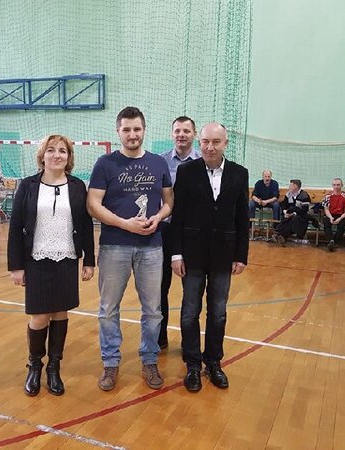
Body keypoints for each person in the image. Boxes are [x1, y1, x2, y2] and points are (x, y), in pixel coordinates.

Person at [87, 107, 173, 391]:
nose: (132, 134)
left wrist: (157, 218)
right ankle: (110, 363)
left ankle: (149, 360)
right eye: (126, 129)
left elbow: (169, 202)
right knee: (108, 309)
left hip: (151, 247)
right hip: (114, 246)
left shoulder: (158, 163)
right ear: (118, 131)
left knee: (154, 311)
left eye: (137, 129)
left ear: (144, 130)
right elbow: (93, 205)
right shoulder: (105, 164)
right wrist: (126, 224)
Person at [8, 134, 95, 396]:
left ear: (69, 157)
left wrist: (89, 260)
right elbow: (15, 226)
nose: (57, 155)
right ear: (42, 155)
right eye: (51, 150)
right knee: (39, 315)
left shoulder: (78, 186)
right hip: (36, 259)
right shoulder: (28, 185)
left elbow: (85, 225)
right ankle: (35, 365)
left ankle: (54, 368)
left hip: (67, 258)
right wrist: (16, 266)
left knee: (60, 313)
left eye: (62, 151)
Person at [171, 122, 249, 392]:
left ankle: (213, 362)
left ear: (225, 143)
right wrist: (176, 254)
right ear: (199, 142)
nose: (210, 147)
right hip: (192, 254)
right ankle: (192, 364)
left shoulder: (239, 173)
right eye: (205, 141)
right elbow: (178, 215)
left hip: (223, 256)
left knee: (218, 313)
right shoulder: (186, 171)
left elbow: (242, 218)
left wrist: (241, 255)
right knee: (189, 311)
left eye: (216, 142)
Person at [159, 116, 200, 350]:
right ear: (172, 134)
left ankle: (189, 344)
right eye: (177, 131)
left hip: (191, 233)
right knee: (160, 288)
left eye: (186, 131)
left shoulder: (203, 162)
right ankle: (159, 338)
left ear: (194, 134)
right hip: (164, 231)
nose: (181, 135)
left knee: (191, 291)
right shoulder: (160, 162)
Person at [272, 179, 311, 246]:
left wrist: (293, 214)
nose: (289, 187)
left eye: (290, 185)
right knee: (285, 217)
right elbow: (284, 204)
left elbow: (305, 210)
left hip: (301, 215)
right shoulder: (288, 194)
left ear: (295, 186)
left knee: (293, 219)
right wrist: (285, 212)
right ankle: (281, 235)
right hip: (289, 213)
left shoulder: (304, 195)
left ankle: (280, 234)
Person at [322, 178, 345, 252]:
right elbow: (326, 209)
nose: (336, 187)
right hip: (330, 214)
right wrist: (330, 217)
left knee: (342, 225)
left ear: (342, 185)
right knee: (326, 222)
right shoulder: (327, 196)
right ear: (332, 185)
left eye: (338, 185)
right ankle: (331, 240)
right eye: (334, 185)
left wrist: (340, 218)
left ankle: (335, 242)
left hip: (341, 215)